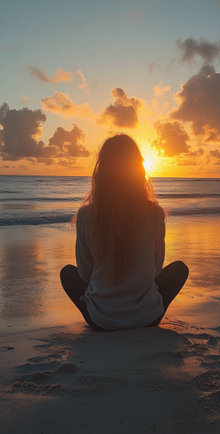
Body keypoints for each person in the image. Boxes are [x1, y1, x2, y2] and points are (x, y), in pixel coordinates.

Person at [60, 134, 188, 331]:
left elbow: (85, 276)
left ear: (102, 172)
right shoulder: (154, 214)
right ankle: (140, 308)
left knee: (68, 273)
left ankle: (107, 308)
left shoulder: (86, 216)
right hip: (147, 318)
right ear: (138, 170)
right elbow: (155, 271)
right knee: (179, 269)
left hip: (101, 321)